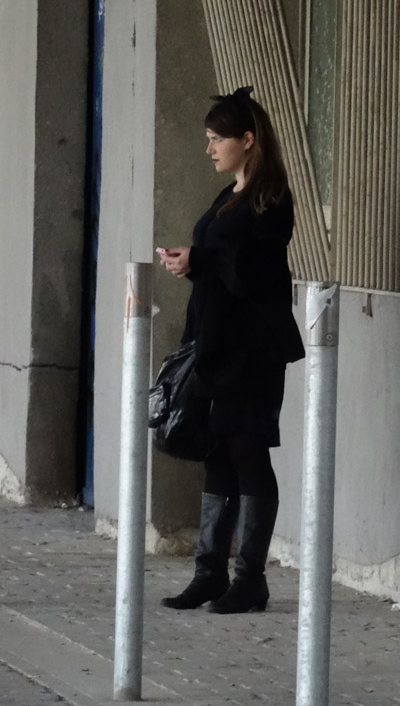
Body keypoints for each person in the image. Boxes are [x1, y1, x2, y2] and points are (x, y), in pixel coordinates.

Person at [156, 86, 305, 614]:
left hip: (252, 348)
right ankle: (209, 573)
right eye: (207, 138)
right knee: (218, 451)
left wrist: (199, 260)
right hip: (216, 345)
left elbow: (252, 275)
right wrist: (190, 261)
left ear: (247, 139)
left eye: (216, 138)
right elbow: (218, 262)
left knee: (247, 449)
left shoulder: (271, 200)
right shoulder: (230, 194)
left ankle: (250, 579)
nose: (209, 148)